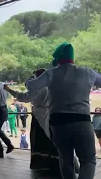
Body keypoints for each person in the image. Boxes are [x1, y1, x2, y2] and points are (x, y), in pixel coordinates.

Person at [26, 42, 101, 179]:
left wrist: (29, 80)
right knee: (88, 160)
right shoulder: (87, 72)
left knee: (65, 160)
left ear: (57, 58)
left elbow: (32, 86)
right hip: (82, 121)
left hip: (58, 123)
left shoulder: (51, 74)